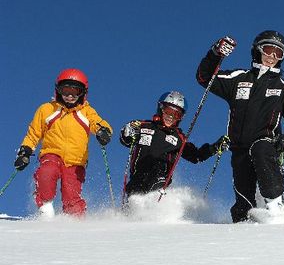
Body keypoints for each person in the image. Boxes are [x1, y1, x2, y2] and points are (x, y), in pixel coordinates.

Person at [196, 30, 284, 222]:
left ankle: (275, 205)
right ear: (258, 50)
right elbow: (205, 78)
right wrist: (216, 53)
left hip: (267, 145)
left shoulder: (282, 86)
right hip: (239, 148)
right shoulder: (238, 78)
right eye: (269, 50)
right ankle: (242, 232)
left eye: (278, 54)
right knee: (244, 202)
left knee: (261, 148)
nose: (272, 57)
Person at [13, 69, 112, 217]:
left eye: (75, 92)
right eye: (65, 91)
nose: (70, 96)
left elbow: (98, 123)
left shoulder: (87, 111)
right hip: (51, 153)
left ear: (83, 93)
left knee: (70, 192)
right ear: (58, 91)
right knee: (47, 172)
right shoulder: (47, 109)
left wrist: (103, 131)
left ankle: (74, 220)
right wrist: (25, 151)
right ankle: (45, 208)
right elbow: (34, 133)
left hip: (76, 161)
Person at [119, 91, 226, 197]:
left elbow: (196, 156)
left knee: (159, 164)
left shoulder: (178, 138)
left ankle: (157, 193)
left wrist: (215, 148)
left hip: (160, 181)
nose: (171, 117)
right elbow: (126, 140)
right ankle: (130, 208)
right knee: (135, 193)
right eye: (168, 111)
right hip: (137, 179)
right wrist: (128, 132)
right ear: (160, 109)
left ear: (181, 117)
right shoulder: (143, 126)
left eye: (176, 114)